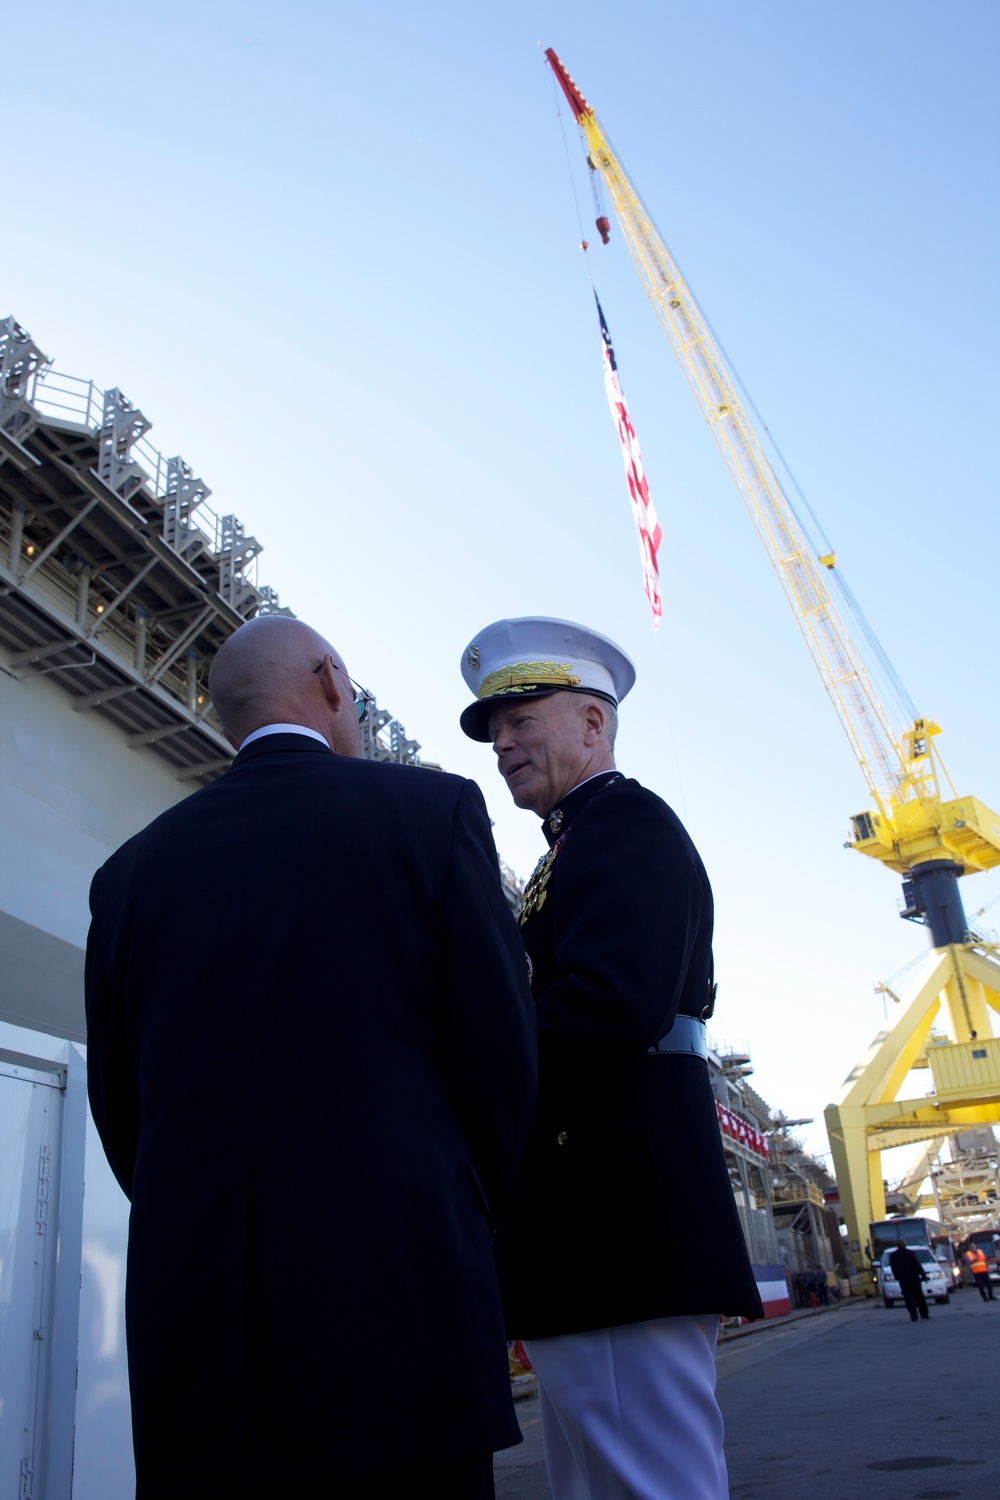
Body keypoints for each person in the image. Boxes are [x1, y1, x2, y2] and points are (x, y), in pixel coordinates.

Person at [85, 616, 537, 1500]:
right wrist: (446, 1203)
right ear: (331, 682)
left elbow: (120, 1108)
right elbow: (500, 1063)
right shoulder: (430, 813)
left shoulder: (130, 875)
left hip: (204, 1344)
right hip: (400, 1308)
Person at [458, 616, 763, 1500]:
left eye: (522, 720)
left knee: (646, 1485)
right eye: (493, 730)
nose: (502, 743)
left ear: (594, 723)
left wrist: (465, 1070)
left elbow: (610, 1007)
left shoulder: (623, 821)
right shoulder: (573, 840)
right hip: (594, 1219)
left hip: (618, 1215)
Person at [888, 1241, 930, 1321]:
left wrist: (897, 1277)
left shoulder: (893, 1256)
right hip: (914, 1279)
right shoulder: (910, 1253)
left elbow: (894, 1269)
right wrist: (923, 1275)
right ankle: (924, 1314)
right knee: (919, 1297)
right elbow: (917, 1265)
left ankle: (913, 1315)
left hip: (903, 1280)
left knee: (908, 1299)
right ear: (904, 1244)